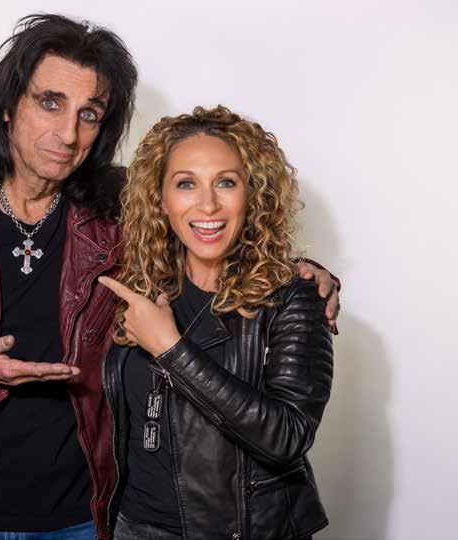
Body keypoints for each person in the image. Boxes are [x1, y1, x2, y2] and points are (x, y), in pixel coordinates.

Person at [0, 14, 340, 540]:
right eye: (51, 103)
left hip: (84, 513)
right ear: (7, 106)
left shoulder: (121, 206)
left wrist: (301, 273)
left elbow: (208, 225)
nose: (68, 134)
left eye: (89, 114)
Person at [99, 106, 334, 539]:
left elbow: (288, 436)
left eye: (226, 182)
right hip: (134, 527)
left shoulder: (292, 296)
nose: (207, 204)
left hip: (238, 530)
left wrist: (171, 349)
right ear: (160, 199)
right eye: (186, 183)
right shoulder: (139, 287)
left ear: (253, 194)